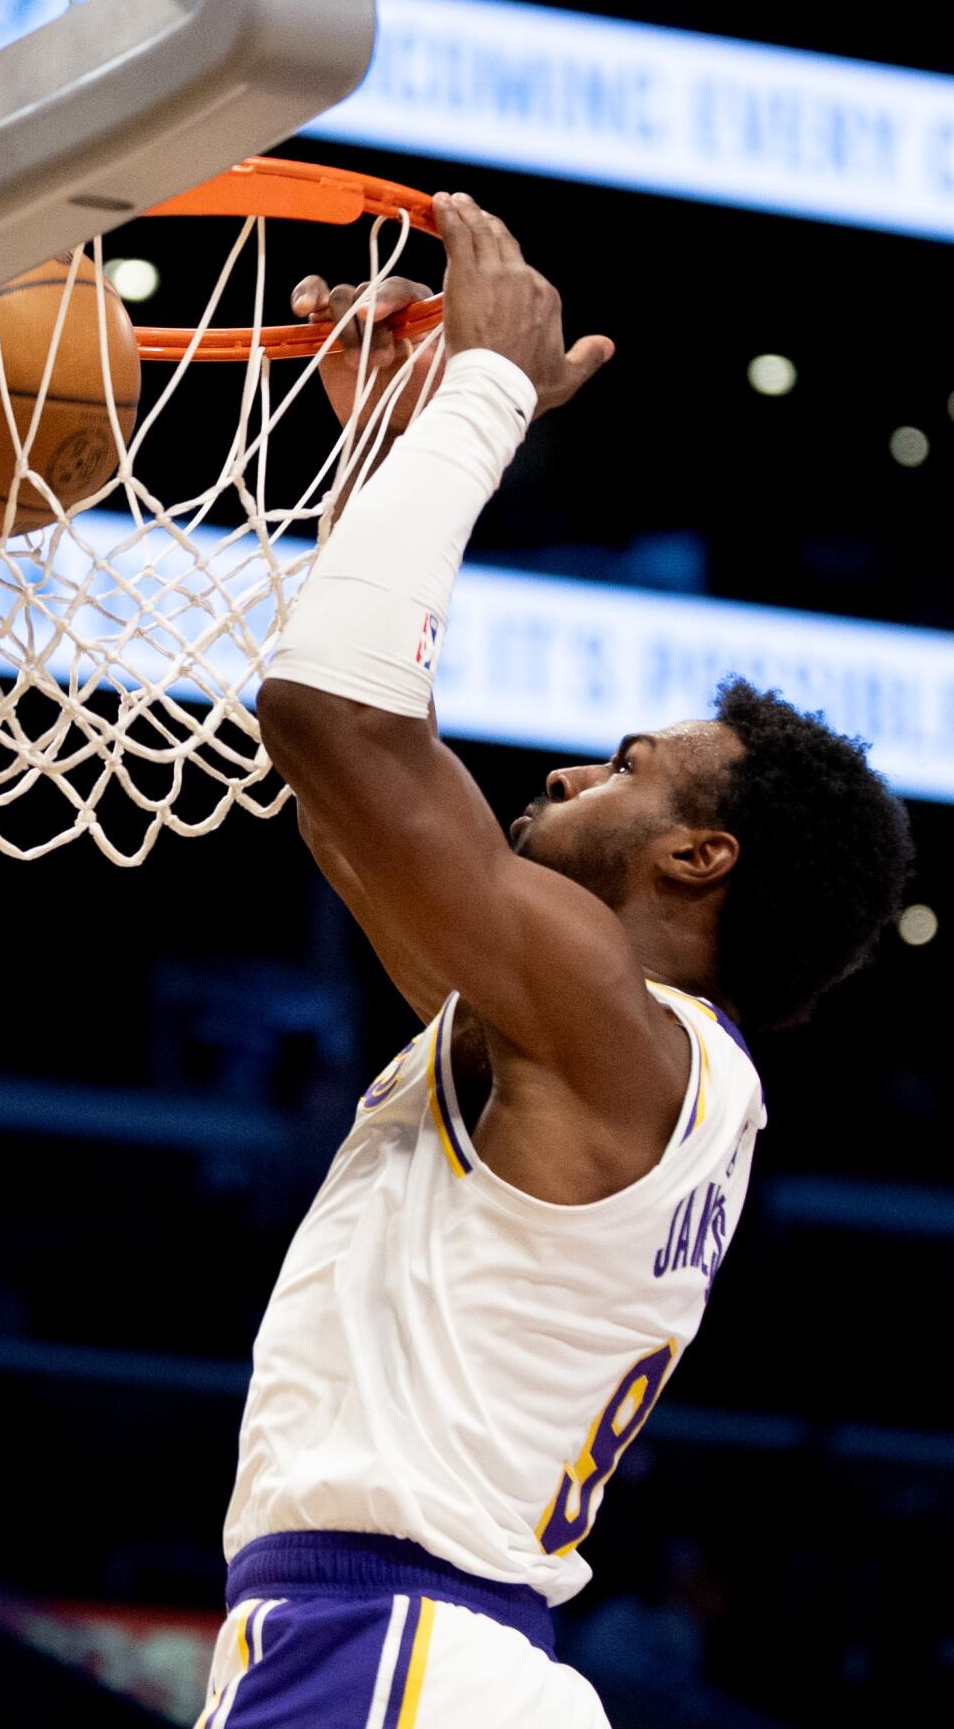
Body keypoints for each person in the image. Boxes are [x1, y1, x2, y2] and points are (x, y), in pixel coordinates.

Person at [193, 193, 914, 1728]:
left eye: (629, 769)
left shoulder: (613, 1032)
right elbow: (350, 789)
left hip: (394, 1654)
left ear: (698, 858)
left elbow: (336, 719)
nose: (582, 774)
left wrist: (485, 398)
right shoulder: (590, 1045)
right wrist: (389, 463)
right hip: (419, 1652)